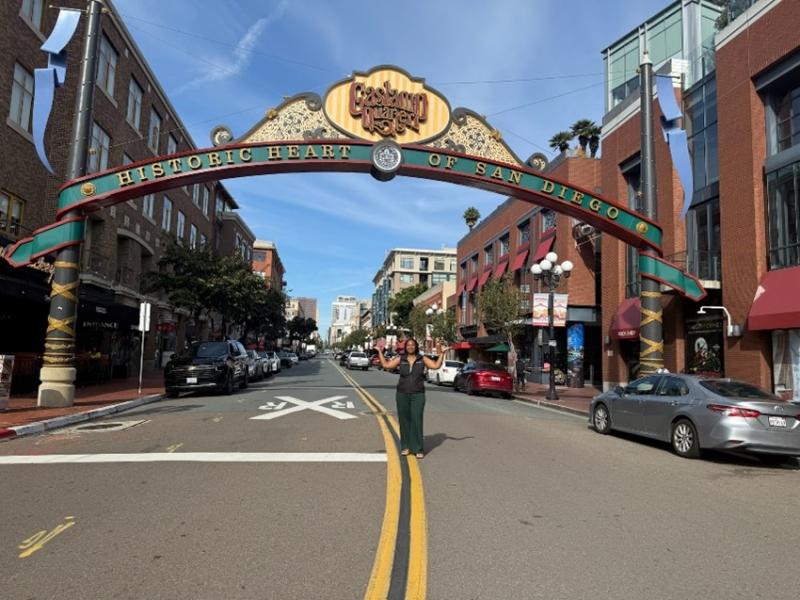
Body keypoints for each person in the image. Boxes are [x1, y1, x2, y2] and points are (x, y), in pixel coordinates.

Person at [377, 338, 446, 459]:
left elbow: (435, 366)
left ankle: (418, 448)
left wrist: (442, 353)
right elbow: (386, 365)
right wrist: (379, 352)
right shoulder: (401, 358)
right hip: (402, 394)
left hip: (418, 394)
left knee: (417, 419)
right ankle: (405, 447)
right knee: (404, 421)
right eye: (408, 345)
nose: (410, 347)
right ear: (405, 347)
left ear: (416, 347)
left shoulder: (422, 359)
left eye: (412, 345)